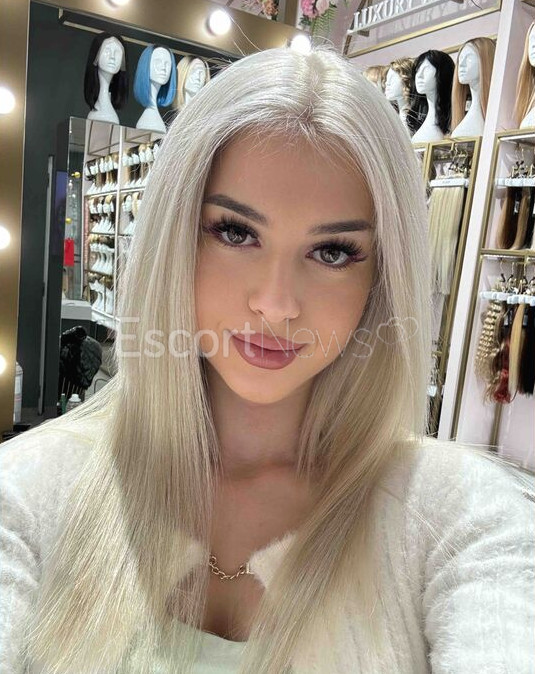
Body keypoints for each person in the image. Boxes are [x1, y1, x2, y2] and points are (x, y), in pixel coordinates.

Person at [1, 45, 533, 674]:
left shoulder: (462, 519)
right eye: (236, 233)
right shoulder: (32, 492)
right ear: (176, 236)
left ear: (381, 279)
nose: (277, 304)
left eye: (332, 252)